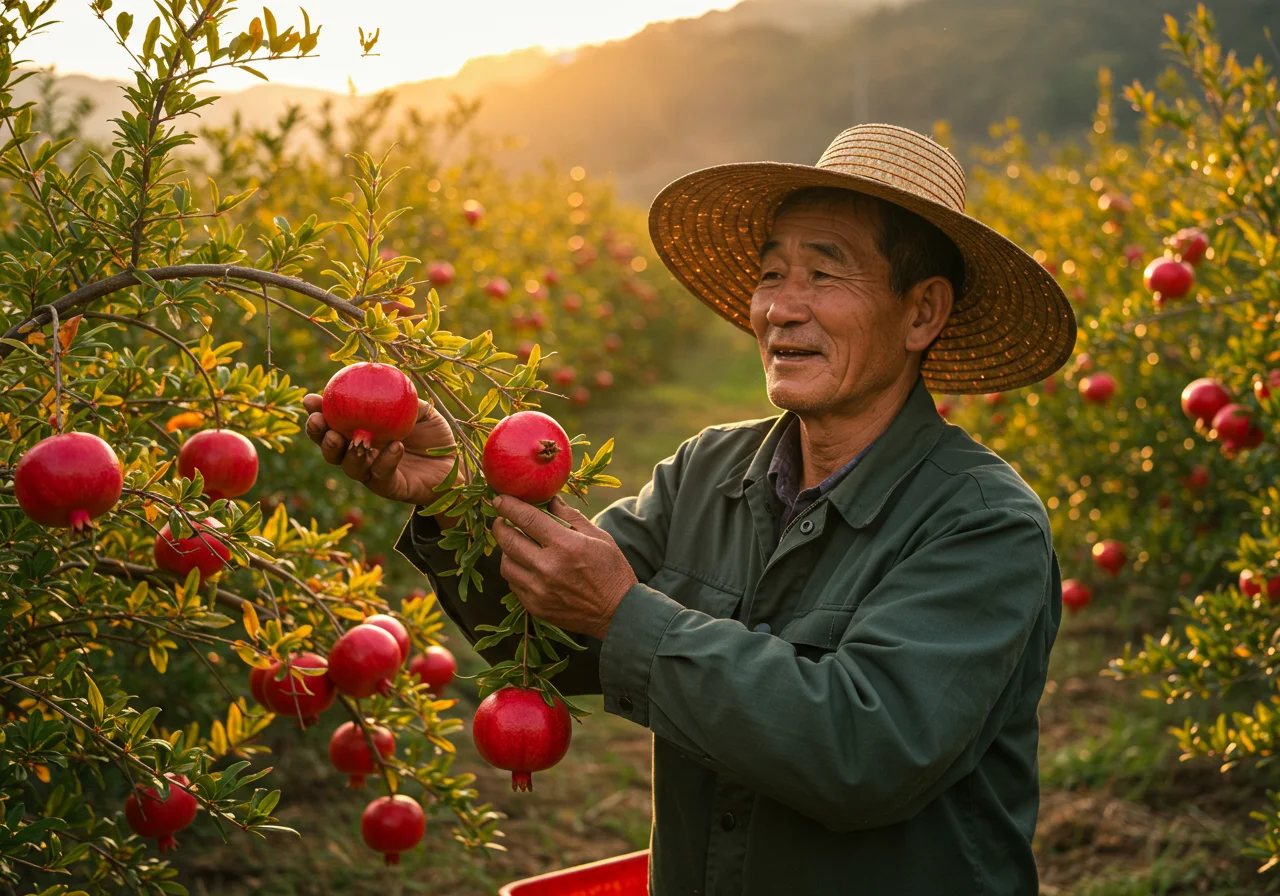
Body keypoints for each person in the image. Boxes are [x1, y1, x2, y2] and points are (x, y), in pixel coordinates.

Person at [303, 123, 1077, 895]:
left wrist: (627, 615)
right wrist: (454, 502)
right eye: (772, 275)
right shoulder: (708, 471)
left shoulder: (982, 524)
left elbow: (868, 751)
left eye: (823, 275)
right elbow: (551, 640)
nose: (781, 308)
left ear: (922, 313)